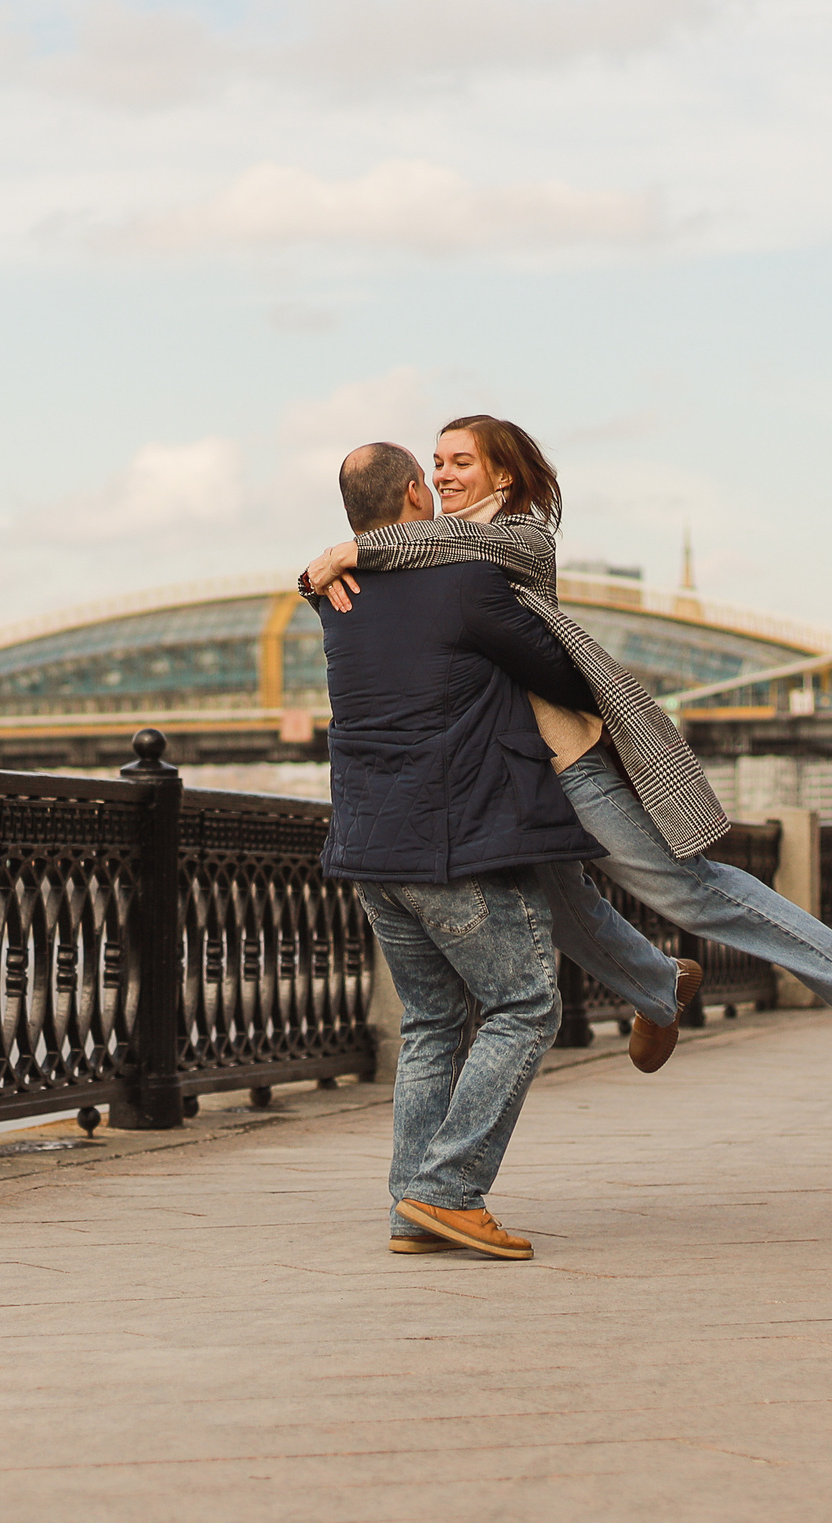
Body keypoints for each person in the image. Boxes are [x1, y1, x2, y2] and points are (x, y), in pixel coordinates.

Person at [303, 414, 832, 1074]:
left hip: (565, 759)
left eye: (460, 462)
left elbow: (431, 544)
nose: (444, 476)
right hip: (502, 772)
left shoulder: (519, 537)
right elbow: (413, 560)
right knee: (564, 911)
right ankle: (661, 986)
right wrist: (320, 574)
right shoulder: (432, 548)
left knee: (687, 889)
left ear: (503, 475)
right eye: (437, 463)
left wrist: (349, 551)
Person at [310, 442, 686, 1262]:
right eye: (432, 476)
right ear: (416, 493)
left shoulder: (336, 598)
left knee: (434, 1022)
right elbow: (561, 670)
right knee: (524, 1005)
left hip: (369, 849)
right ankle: (449, 1189)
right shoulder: (466, 582)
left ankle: (413, 1207)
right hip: (455, 842)